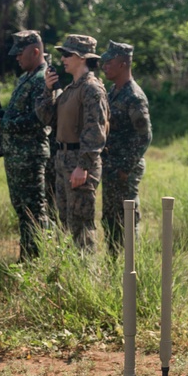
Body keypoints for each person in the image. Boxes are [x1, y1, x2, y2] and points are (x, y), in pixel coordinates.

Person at [0, 30, 51, 261]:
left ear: (35, 51)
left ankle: (38, 260)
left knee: (34, 210)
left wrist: (4, 123)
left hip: (30, 156)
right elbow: (20, 113)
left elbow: (39, 120)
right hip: (17, 156)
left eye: (20, 54)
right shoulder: (26, 77)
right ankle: (27, 257)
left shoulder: (43, 80)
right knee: (22, 209)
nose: (16, 58)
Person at [35, 34, 109, 250]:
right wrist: (48, 91)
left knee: (81, 225)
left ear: (82, 57)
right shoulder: (71, 89)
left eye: (67, 54)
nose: (63, 58)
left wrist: (83, 166)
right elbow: (46, 118)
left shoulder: (91, 89)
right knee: (66, 222)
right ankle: (72, 274)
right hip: (64, 159)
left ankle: (88, 276)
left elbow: (95, 131)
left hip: (79, 163)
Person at [99, 41, 152, 253]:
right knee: (110, 218)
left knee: (127, 218)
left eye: (109, 62)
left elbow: (144, 136)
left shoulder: (134, 96)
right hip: (111, 167)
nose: (105, 67)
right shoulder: (113, 92)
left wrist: (125, 168)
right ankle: (113, 261)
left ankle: (130, 264)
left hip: (124, 170)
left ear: (122, 64)